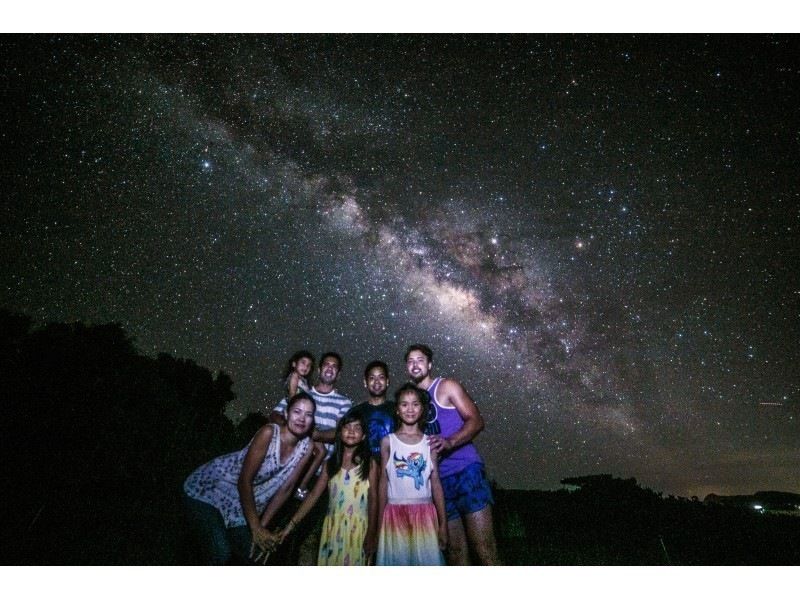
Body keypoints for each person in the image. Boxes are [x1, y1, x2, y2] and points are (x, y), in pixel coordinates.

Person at [183, 392, 317, 565]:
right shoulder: (269, 433)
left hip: (242, 506)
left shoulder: (307, 446)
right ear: (286, 414)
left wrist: (261, 528)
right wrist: (255, 527)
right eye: (297, 411)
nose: (302, 418)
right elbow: (244, 480)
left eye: (308, 414)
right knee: (220, 552)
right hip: (212, 490)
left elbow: (286, 489)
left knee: (254, 556)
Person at [404, 344, 501, 565]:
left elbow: (476, 421)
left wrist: (450, 442)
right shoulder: (410, 402)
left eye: (420, 359)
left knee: (484, 548)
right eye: (410, 361)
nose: (415, 364)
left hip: (466, 471)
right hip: (438, 482)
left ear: (429, 364)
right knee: (456, 553)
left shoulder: (447, 386)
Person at [269, 351, 353, 563]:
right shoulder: (304, 392)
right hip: (291, 470)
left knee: (308, 535)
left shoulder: (344, 403)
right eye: (326, 364)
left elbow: (342, 432)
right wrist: (294, 428)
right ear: (319, 368)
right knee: (278, 526)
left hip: (322, 477)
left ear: (338, 374)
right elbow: (277, 413)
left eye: (334, 366)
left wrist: (314, 433)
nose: (329, 368)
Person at [278, 412, 378, 565]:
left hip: (359, 530)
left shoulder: (369, 464)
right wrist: (289, 526)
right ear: (339, 433)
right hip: (332, 529)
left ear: (364, 436)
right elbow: (312, 497)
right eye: (347, 427)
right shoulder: (329, 465)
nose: (351, 431)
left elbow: (374, 499)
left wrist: (372, 533)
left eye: (357, 428)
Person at [376, 383, 447, 566]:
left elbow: (436, 483)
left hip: (425, 515)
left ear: (422, 409)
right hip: (394, 514)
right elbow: (383, 482)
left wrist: (443, 524)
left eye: (415, 404)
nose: (410, 409)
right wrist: (378, 524)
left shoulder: (430, 443)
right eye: (404, 404)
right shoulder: (388, 442)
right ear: (397, 410)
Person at [348, 360, 395, 459]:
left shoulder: (398, 410)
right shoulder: (355, 412)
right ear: (365, 382)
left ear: (387, 382)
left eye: (381, 377)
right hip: (363, 467)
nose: (377, 382)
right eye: (372, 378)